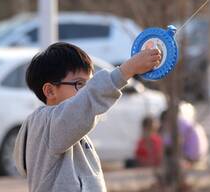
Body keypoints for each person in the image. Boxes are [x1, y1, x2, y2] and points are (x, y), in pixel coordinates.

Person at [13, 42, 162, 192]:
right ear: (50, 91)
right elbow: (88, 99)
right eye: (80, 84)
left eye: (89, 84)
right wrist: (128, 69)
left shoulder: (68, 130)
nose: (86, 91)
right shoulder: (46, 124)